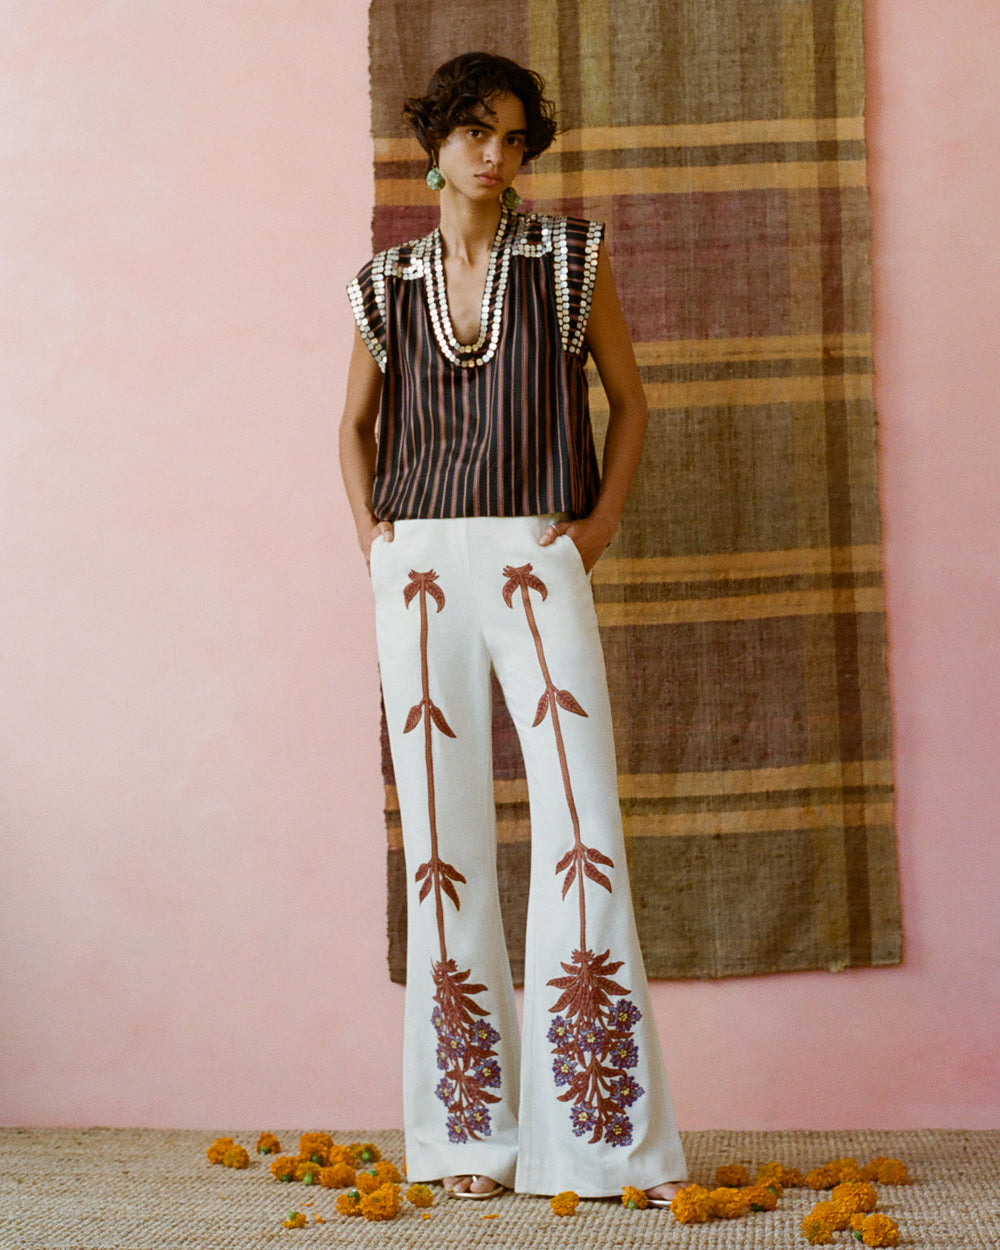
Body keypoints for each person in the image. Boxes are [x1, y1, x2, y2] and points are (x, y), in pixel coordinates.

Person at [339, 52, 687, 1203]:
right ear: (433, 140)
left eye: (512, 137)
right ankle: (466, 1139)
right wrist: (375, 542)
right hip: (421, 561)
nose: (493, 155)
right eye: (474, 132)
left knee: (578, 821)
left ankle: (590, 1140)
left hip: (539, 548)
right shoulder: (384, 282)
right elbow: (350, 426)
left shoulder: (573, 259)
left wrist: (592, 530)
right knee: (441, 839)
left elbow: (628, 400)